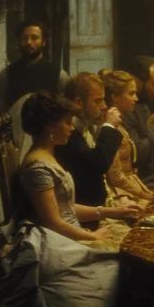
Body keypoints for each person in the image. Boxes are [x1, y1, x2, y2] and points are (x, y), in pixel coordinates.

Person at [0, 93, 137, 307]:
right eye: (67, 122)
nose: (71, 128)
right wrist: (90, 236)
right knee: (124, 261)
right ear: (51, 127)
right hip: (53, 240)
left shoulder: (49, 156)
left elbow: (67, 207)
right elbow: (53, 220)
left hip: (64, 232)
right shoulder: (37, 165)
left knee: (129, 241)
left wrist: (112, 212)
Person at [55, 72, 123, 207]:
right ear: (79, 102)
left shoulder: (86, 125)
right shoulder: (68, 133)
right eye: (98, 101)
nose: (104, 106)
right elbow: (98, 164)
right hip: (82, 211)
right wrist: (109, 126)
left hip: (98, 207)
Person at [100, 69, 153, 205]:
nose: (136, 98)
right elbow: (116, 177)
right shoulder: (108, 126)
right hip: (120, 194)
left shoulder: (120, 123)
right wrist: (143, 195)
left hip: (131, 186)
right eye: (131, 93)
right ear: (114, 97)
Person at [0, 20, 68, 113]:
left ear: (44, 42)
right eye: (24, 38)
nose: (29, 42)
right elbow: (3, 112)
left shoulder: (58, 75)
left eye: (34, 38)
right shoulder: (6, 75)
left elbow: (65, 112)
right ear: (18, 41)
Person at [124, 55, 154, 188]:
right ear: (137, 81)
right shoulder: (124, 111)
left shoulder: (143, 107)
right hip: (141, 186)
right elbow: (138, 156)